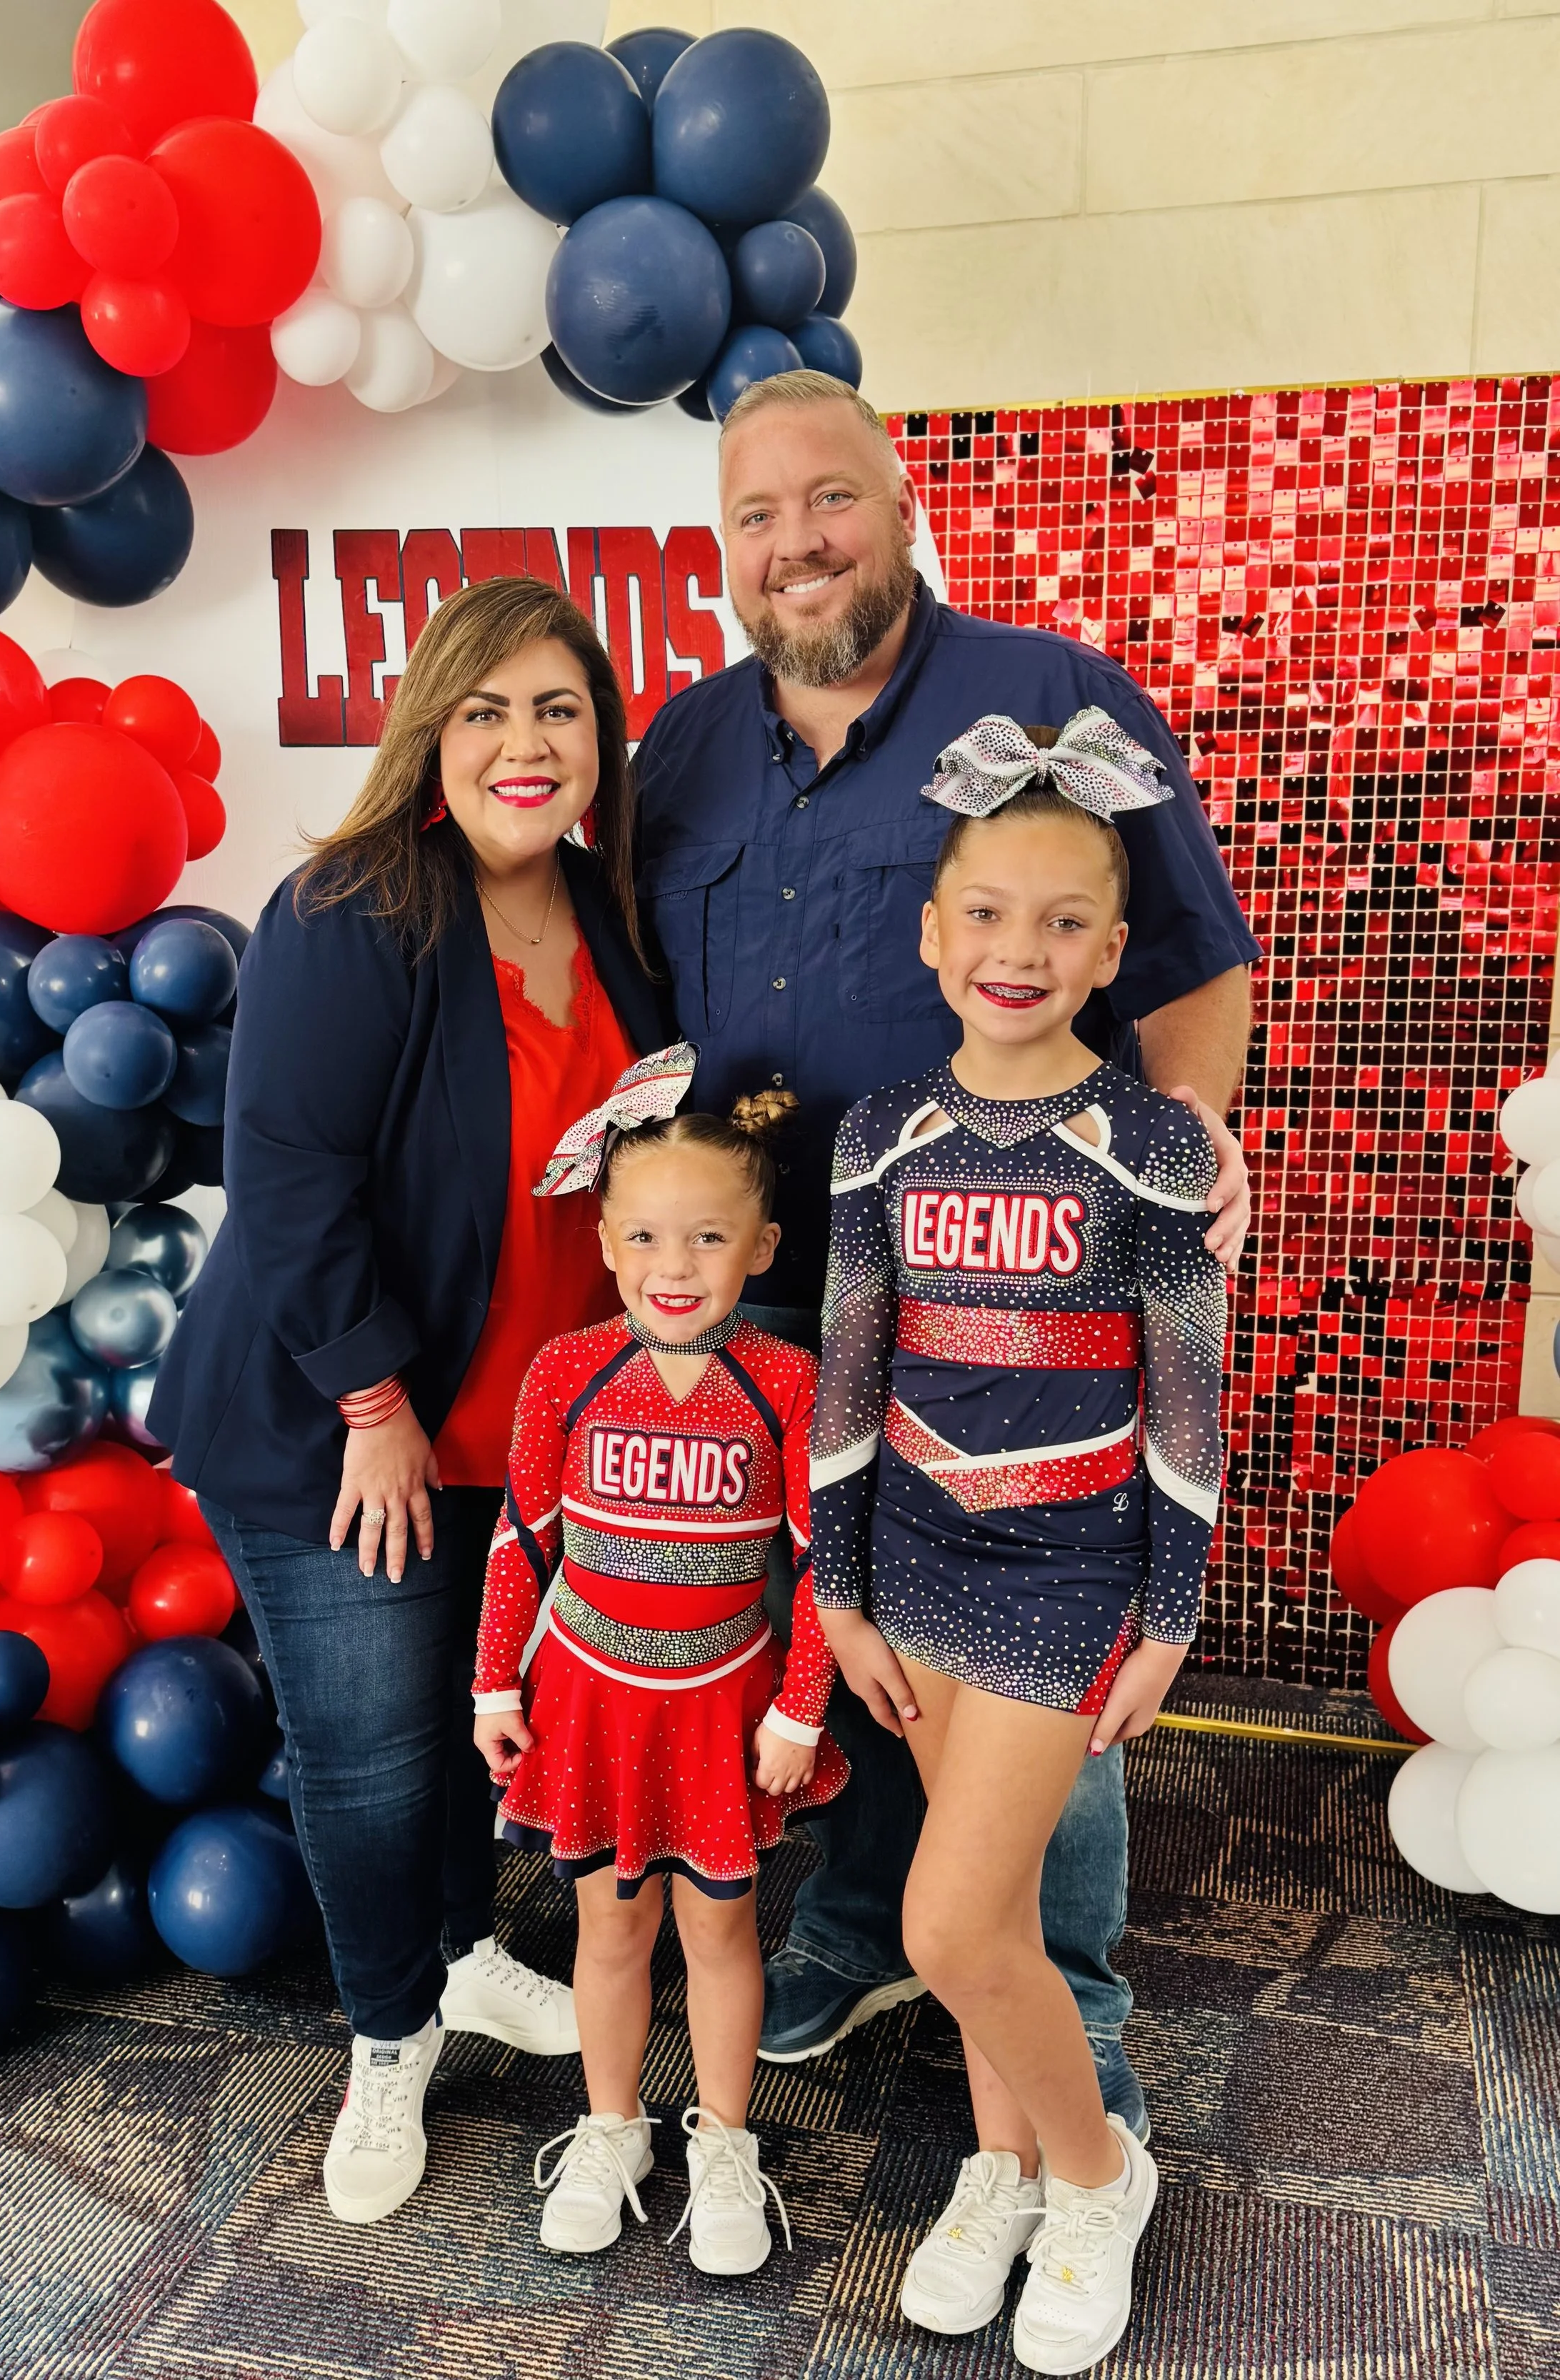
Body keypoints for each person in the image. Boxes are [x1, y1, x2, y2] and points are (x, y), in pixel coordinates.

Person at [634, 369, 1257, 2114]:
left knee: (1035, 1625)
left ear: (899, 507)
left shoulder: (1044, 694)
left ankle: (1071, 2006)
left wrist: (1186, 1142)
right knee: (853, 1625)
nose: (795, 545)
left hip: (1021, 1275)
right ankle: (862, 1925)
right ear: (725, 552)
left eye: (825, 501)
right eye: (755, 519)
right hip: (773, 1275)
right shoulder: (680, 747)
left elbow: (1192, 955)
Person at [151, 577, 672, 2229]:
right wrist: (374, 1401)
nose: (526, 747)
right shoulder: (354, 905)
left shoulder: (611, 912)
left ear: (601, 737)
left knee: (461, 1725)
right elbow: (287, 1181)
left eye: (559, 712)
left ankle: (453, 1956)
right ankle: (386, 2038)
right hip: (336, 1419)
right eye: (487, 712)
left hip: (508, 1422)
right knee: (369, 1756)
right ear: (430, 733)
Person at [811, 720, 1226, 2367]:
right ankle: (996, 2169)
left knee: (952, 1926)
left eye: (1062, 922)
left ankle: (1097, 2172)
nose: (1018, 951)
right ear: (932, 929)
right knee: (968, 1911)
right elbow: (849, 1373)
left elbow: (1189, 1404)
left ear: (1111, 951)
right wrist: (834, 1588)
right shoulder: (877, 1132)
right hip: (909, 1559)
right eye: (986, 913)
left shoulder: (1156, 1147)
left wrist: (1171, 1613)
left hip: (1067, 1579)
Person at [472, 1062, 846, 2275]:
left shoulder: (785, 1381)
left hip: (721, 1708)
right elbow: (522, 1542)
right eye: (643, 1236)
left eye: (707, 1238)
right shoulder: (564, 1372)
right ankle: (610, 2127)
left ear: (762, 1248)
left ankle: (725, 2143)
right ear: (605, 1239)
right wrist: (494, 1685)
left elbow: (820, 1561)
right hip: (586, 1700)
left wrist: (799, 1710)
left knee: (724, 1936)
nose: (673, 1265)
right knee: (610, 1928)